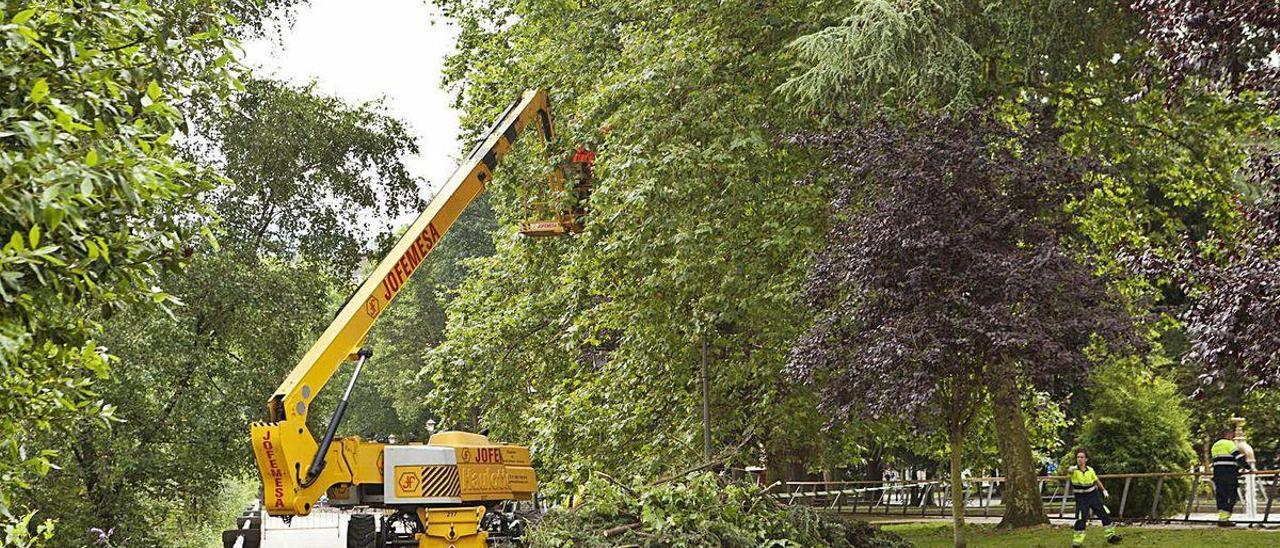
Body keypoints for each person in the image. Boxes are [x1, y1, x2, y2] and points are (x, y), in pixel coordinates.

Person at [1067, 449, 1121, 546]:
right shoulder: (1073, 471)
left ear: (1086, 459)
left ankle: (1111, 536)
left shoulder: (1090, 470)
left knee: (1104, 514)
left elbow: (1097, 481)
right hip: (1081, 498)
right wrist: (1070, 469)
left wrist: (1104, 490)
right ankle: (1077, 542)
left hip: (1093, 496)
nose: (1079, 459)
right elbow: (1066, 471)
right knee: (1081, 518)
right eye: (1078, 457)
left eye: (1082, 457)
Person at [1211, 428, 1251, 526]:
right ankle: (1225, 519)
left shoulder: (1215, 446)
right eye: (1231, 435)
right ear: (1227, 435)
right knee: (1232, 496)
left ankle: (1222, 518)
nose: (1233, 437)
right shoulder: (1229, 444)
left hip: (1218, 475)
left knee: (1221, 496)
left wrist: (1236, 469)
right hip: (1229, 476)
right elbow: (1238, 457)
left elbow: (1222, 461)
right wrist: (1248, 468)